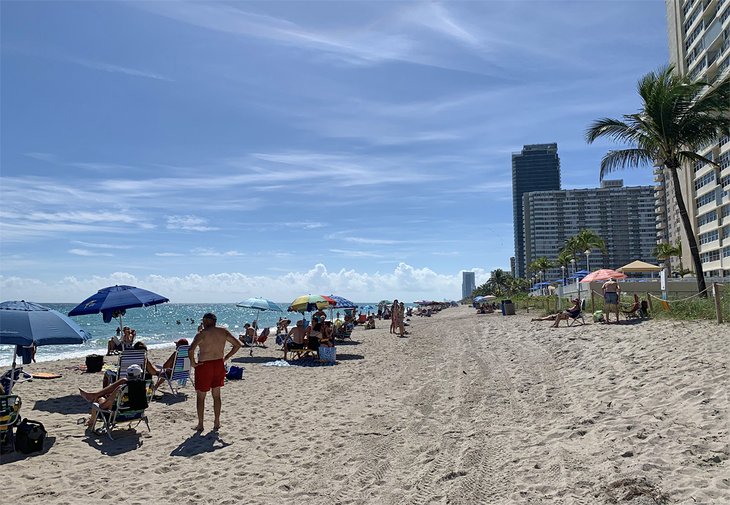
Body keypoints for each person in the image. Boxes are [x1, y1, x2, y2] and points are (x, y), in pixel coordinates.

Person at [188, 312, 241, 431]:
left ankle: (201, 424)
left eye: (203, 320)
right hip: (218, 364)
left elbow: (191, 350)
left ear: (207, 321)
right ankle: (217, 422)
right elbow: (237, 345)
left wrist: (193, 363)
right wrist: (226, 357)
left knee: (201, 396)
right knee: (216, 396)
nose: (202, 323)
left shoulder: (202, 334)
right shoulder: (223, 331)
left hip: (204, 365)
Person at [79, 364, 145, 428]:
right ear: (139, 375)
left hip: (117, 416)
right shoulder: (143, 385)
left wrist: (99, 402)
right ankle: (94, 396)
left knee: (98, 401)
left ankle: (91, 422)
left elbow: (104, 406)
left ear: (127, 374)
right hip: (137, 414)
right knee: (122, 382)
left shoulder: (121, 388)